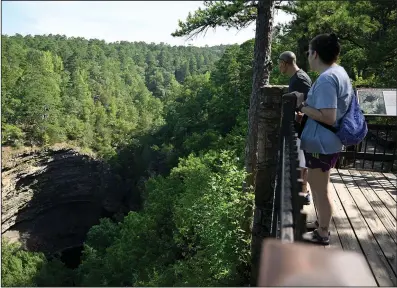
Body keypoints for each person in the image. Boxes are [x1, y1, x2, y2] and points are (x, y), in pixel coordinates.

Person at [295, 33, 353, 244]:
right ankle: (322, 227)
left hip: (322, 143)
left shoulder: (328, 79)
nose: (308, 56)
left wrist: (302, 106)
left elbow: (328, 116)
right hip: (327, 141)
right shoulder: (339, 72)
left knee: (319, 189)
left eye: (309, 52)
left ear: (315, 54)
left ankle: (323, 232)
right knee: (318, 185)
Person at [279, 51, 312, 205]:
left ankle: (303, 193)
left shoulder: (299, 80)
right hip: (302, 125)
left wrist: (301, 115)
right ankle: (302, 191)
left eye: (280, 63)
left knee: (302, 163)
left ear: (285, 63)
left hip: (305, 128)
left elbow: (309, 103)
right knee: (301, 162)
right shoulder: (298, 78)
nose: (279, 67)